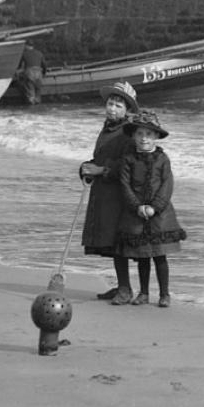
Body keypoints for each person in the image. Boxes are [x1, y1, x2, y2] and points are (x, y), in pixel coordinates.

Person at [115, 110, 186, 307]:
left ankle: (164, 294)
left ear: (156, 137)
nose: (144, 138)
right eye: (139, 134)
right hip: (136, 214)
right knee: (142, 257)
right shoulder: (129, 159)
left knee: (160, 256)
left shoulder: (163, 159)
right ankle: (143, 293)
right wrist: (137, 206)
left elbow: (167, 185)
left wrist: (155, 207)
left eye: (148, 134)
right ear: (133, 136)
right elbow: (125, 185)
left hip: (160, 215)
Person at [78, 82, 140, 303]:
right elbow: (101, 156)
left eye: (118, 106)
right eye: (110, 104)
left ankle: (126, 289)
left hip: (120, 194)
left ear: (127, 111)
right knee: (111, 242)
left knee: (119, 241)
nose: (112, 109)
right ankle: (122, 285)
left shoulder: (129, 132)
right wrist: (87, 168)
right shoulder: (108, 128)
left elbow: (129, 164)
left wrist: (102, 170)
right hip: (105, 191)